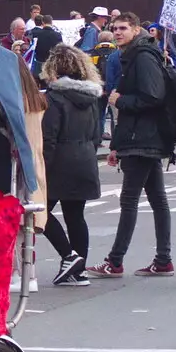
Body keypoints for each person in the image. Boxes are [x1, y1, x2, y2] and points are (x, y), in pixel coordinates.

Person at [87, 11, 173, 278]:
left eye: (123, 27)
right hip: (143, 136)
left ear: (136, 30)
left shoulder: (143, 57)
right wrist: (116, 145)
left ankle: (115, 261)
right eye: (115, 28)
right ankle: (163, 260)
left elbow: (153, 96)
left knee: (130, 200)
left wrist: (120, 100)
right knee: (157, 200)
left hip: (142, 138)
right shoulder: (135, 55)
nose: (118, 32)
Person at [37, 46, 103, 285]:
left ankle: (69, 256)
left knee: (39, 212)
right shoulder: (91, 97)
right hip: (84, 158)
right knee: (76, 216)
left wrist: (42, 167)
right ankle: (79, 269)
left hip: (60, 162)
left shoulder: (54, 98)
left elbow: (50, 136)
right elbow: (96, 135)